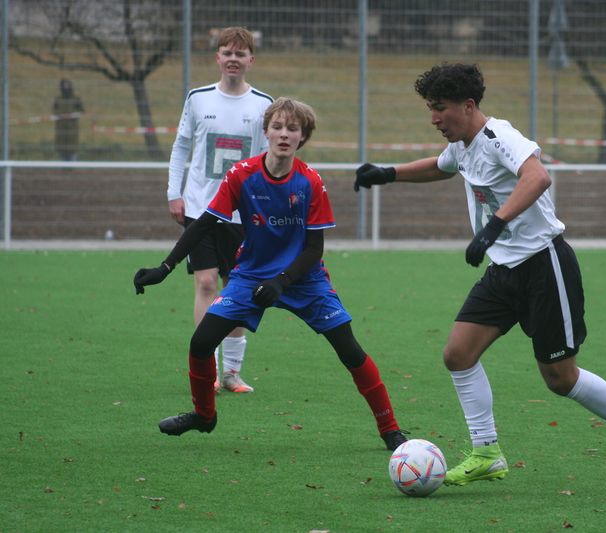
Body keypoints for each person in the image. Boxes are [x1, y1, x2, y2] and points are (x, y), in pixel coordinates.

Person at [353, 62, 606, 486]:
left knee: (560, 378)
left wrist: (494, 225)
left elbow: (538, 176)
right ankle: (486, 452)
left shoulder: (499, 136)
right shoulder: (462, 144)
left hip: (545, 265)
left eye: (440, 108)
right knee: (458, 354)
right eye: (430, 109)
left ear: (468, 105)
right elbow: (441, 166)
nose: (434, 118)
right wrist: (388, 174)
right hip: (504, 270)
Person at [135, 97, 409, 451]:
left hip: (304, 279)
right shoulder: (241, 175)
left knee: (350, 350)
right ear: (265, 132)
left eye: (292, 129)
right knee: (201, 343)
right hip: (250, 276)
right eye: (277, 127)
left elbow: (314, 250)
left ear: (302, 137)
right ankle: (204, 415)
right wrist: (165, 267)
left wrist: (282, 281)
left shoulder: (311, 182)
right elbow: (204, 224)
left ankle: (390, 429)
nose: (284, 134)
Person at [167, 27, 274, 394]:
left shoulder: (263, 104)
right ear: (217, 57)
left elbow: (267, 162)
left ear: (250, 60)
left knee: (237, 289)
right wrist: (174, 193)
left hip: (244, 215)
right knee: (206, 283)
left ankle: (232, 372)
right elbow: (181, 147)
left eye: (240, 54)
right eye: (227, 52)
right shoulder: (198, 98)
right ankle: (207, 369)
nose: (233, 59)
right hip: (201, 209)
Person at [53, 79, 84, 162]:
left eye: (67, 85)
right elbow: (54, 110)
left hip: (72, 127)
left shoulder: (75, 98)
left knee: (72, 147)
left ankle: (73, 165)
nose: (66, 87)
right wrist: (60, 114)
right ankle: (63, 165)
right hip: (61, 127)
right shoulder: (58, 98)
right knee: (62, 147)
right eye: (64, 85)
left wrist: (72, 115)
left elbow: (81, 110)